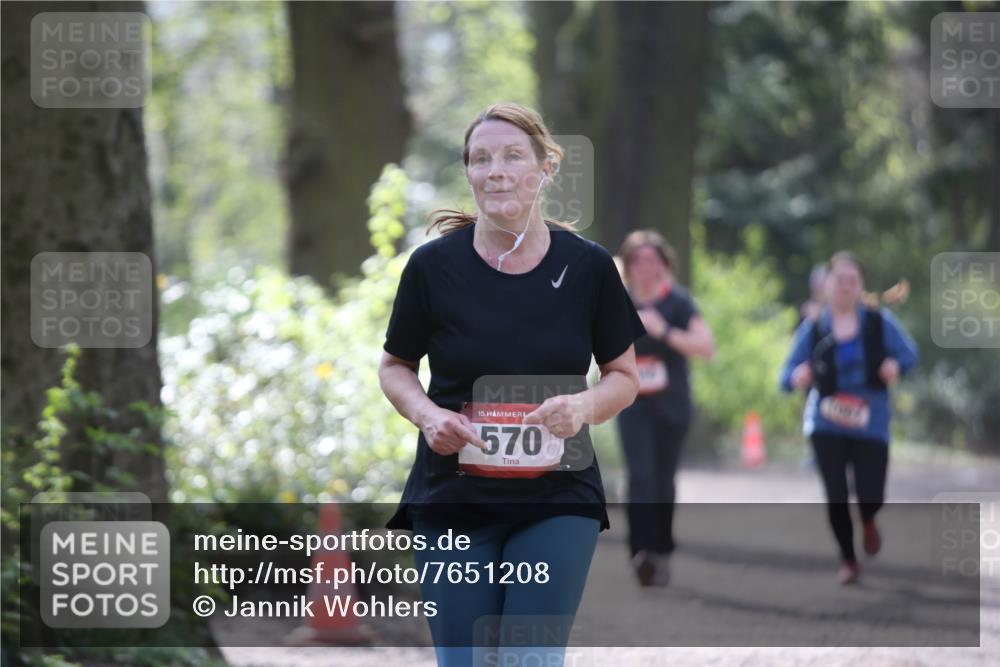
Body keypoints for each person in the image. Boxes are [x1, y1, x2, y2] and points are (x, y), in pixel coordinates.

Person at [378, 102, 646, 666]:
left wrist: (583, 406)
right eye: (481, 158)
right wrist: (429, 417)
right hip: (452, 494)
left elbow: (624, 377)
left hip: (557, 494)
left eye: (511, 156)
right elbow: (395, 366)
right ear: (470, 174)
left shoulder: (589, 268)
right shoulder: (432, 268)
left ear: (545, 168)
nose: (494, 169)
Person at [779, 251, 918, 585]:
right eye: (838, 279)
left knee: (871, 493)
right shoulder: (813, 328)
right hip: (825, 422)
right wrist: (798, 376)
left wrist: (894, 366)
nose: (844, 285)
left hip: (870, 422)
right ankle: (848, 560)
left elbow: (910, 355)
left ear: (861, 286)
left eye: (851, 280)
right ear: (826, 284)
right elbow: (784, 378)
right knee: (836, 493)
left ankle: (869, 519)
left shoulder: (878, 321)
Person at [614, 230, 715, 587]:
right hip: (631, 403)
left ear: (663, 264)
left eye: (652, 259)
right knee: (639, 476)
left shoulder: (678, 302)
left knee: (662, 480)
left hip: (672, 407)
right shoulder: (619, 300)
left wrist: (664, 330)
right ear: (628, 266)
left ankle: (662, 551)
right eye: (638, 260)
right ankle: (641, 553)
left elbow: (706, 347)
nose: (645, 266)